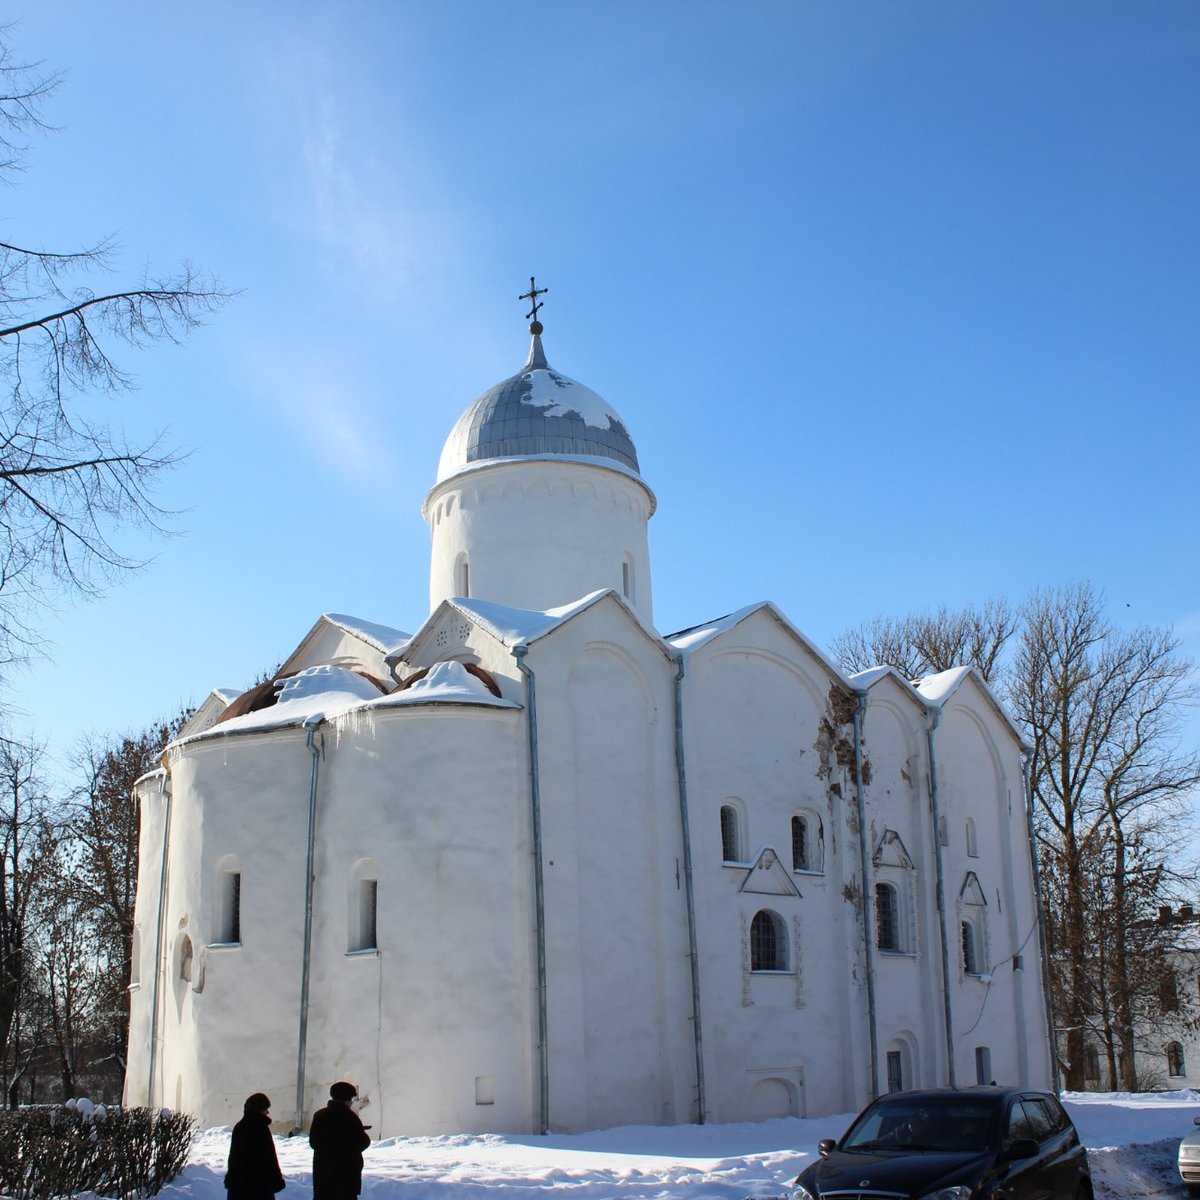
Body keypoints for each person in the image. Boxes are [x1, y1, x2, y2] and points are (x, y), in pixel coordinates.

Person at [309, 1081, 371, 1200]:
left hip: (323, 1173)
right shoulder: (349, 1117)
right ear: (348, 1099)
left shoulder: (320, 1115)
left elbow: (314, 1143)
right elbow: (361, 1143)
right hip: (345, 1175)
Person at [225, 1093, 285, 1200]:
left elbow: (234, 1157)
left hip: (240, 1186)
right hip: (259, 1185)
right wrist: (275, 1180)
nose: (268, 1112)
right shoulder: (260, 1128)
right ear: (258, 1109)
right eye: (265, 1108)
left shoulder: (240, 1127)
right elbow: (268, 1157)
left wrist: (232, 1179)